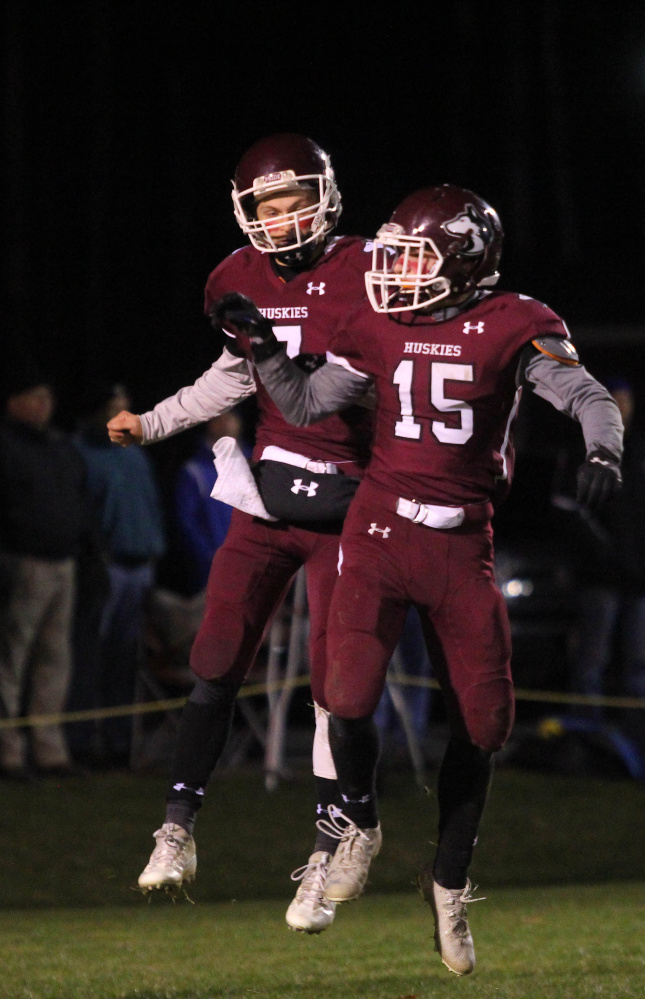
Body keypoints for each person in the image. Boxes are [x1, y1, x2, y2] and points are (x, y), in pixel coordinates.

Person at [225, 183, 624, 974]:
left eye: (415, 258)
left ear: (468, 262)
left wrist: (603, 447)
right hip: (377, 528)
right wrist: (266, 351)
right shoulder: (374, 320)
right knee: (345, 692)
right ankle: (361, 822)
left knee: (484, 724)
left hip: (460, 544)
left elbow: (586, 394)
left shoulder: (517, 321)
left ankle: (447, 879)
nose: (394, 274)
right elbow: (306, 402)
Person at [106, 133, 375, 934]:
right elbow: (234, 373)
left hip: (351, 505)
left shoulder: (371, 271)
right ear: (245, 211)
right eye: (268, 204)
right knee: (216, 654)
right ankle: (177, 827)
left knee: (338, 684)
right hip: (270, 495)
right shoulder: (234, 278)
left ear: (325, 196)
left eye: (296, 199)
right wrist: (157, 420)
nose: (284, 217)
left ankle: (329, 851)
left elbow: (357, 382)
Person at [560, 377, 645, 764]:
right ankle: (585, 739)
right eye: (615, 400)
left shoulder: (640, 448)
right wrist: (607, 556)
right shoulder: (586, 444)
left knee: (640, 662)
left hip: (639, 579)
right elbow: (571, 510)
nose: (622, 407)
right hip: (601, 578)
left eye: (627, 400)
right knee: (593, 659)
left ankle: (635, 736)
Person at [0, 365, 93, 777]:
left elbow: (79, 500)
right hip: (24, 562)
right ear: (13, 402)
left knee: (55, 658)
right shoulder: (6, 445)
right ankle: (8, 750)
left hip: (62, 563)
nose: (43, 405)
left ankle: (48, 747)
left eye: (47, 397)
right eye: (34, 397)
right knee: (12, 658)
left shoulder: (59, 447)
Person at [69, 382, 166, 769]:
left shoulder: (133, 455)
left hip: (139, 568)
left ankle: (117, 744)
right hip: (105, 567)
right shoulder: (80, 453)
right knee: (90, 656)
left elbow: (150, 508)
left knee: (125, 662)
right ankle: (80, 741)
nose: (121, 416)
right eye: (113, 408)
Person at [173, 410, 249, 593]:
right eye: (220, 418)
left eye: (232, 417)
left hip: (251, 568)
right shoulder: (195, 472)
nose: (227, 423)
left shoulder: (252, 467)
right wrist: (209, 557)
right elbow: (186, 524)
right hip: (211, 573)